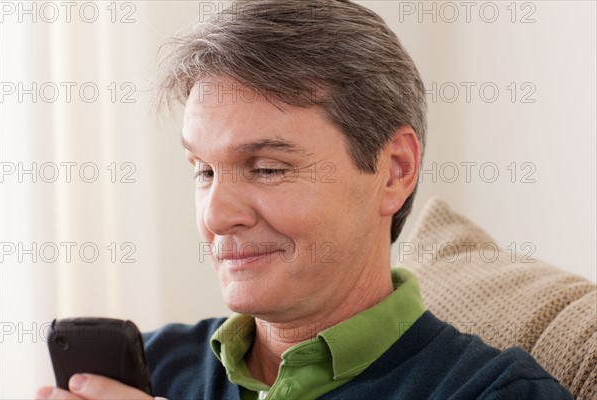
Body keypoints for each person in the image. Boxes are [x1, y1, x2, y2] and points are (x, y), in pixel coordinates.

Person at [36, 1, 574, 399]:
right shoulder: (151, 369)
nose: (216, 216)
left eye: (267, 168)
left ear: (394, 171)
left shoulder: (494, 392)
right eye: (203, 170)